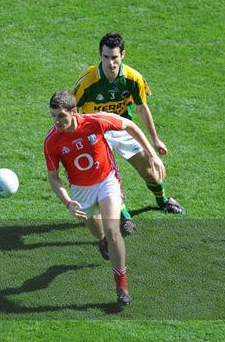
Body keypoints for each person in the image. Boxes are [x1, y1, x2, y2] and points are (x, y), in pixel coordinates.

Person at [44, 90, 166, 305]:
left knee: (112, 230)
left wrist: (152, 154)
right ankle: (101, 242)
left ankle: (121, 286)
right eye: (53, 115)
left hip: (106, 180)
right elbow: (53, 178)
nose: (57, 121)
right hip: (81, 191)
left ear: (74, 112)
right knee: (98, 230)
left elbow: (130, 126)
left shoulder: (96, 121)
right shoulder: (52, 141)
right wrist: (68, 202)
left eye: (61, 116)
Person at [74, 32, 185, 235]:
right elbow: (72, 108)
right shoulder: (88, 80)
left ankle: (162, 201)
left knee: (150, 170)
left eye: (114, 57)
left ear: (123, 55)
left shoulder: (133, 79)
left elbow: (142, 108)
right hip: (97, 133)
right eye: (106, 57)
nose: (110, 63)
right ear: (100, 55)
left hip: (123, 127)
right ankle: (125, 218)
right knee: (109, 177)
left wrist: (155, 140)